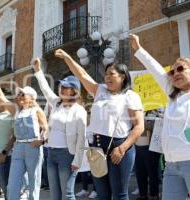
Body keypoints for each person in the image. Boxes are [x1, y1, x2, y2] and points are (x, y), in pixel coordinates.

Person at [130, 33, 190, 200]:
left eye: (180, 69)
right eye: (172, 72)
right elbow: (156, 70)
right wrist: (139, 49)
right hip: (171, 165)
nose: (175, 74)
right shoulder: (173, 94)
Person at [55, 48, 144, 200]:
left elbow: (139, 126)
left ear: (122, 77)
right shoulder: (100, 90)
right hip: (97, 147)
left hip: (119, 146)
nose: (107, 77)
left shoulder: (130, 96)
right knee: (102, 194)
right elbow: (81, 74)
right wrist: (67, 57)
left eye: (112, 74)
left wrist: (122, 148)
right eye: (106, 74)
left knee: (119, 194)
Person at [33, 58, 87, 200]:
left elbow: (82, 138)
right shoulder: (56, 102)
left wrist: (77, 161)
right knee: (54, 194)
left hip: (67, 156)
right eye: (61, 86)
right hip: (51, 153)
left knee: (67, 194)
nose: (61, 88)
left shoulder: (79, 110)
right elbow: (45, 89)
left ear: (73, 91)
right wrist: (38, 71)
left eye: (65, 87)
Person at [0, 71, 48, 200]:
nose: (19, 96)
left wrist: (41, 140)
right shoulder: (16, 111)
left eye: (23, 94)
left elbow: (46, 128)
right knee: (12, 186)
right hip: (18, 149)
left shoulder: (37, 111)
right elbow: (2, 98)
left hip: (33, 147)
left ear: (32, 97)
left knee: (34, 184)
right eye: (19, 94)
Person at [135, 110, 161, 200]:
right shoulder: (135, 112)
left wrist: (143, 122)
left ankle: (154, 195)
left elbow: (157, 126)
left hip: (151, 147)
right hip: (137, 146)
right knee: (140, 173)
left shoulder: (154, 112)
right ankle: (143, 195)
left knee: (152, 172)